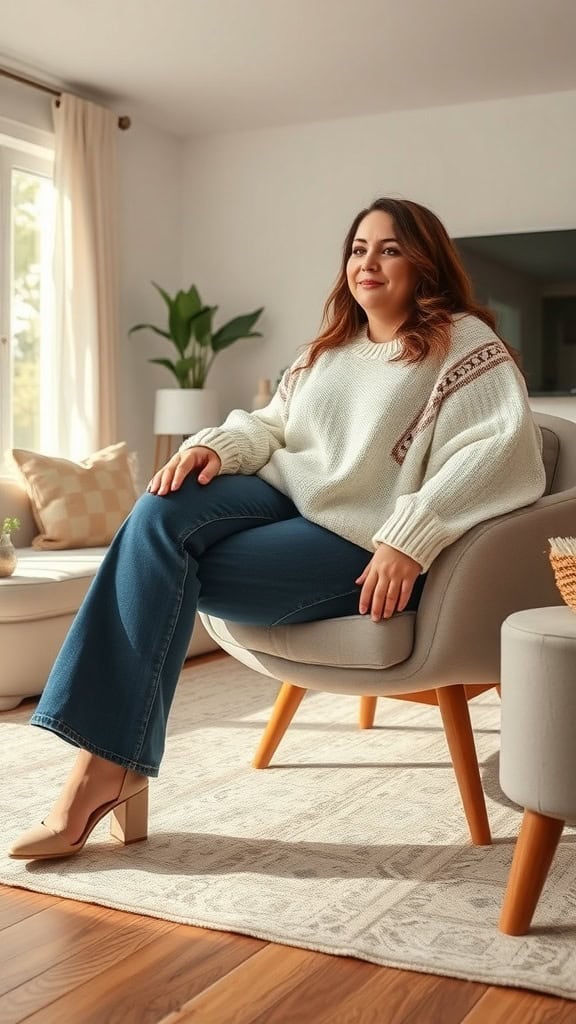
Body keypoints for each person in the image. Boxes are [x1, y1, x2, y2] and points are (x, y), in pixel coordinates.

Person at [9, 197, 546, 861]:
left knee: (158, 566)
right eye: (358, 249)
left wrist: (411, 536)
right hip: (283, 498)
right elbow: (271, 425)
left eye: (389, 249)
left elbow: (498, 452)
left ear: (425, 263)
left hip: (356, 540)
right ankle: (106, 766)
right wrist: (216, 447)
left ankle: (103, 771)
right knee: (160, 508)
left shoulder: (462, 343)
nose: (368, 263)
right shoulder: (328, 350)